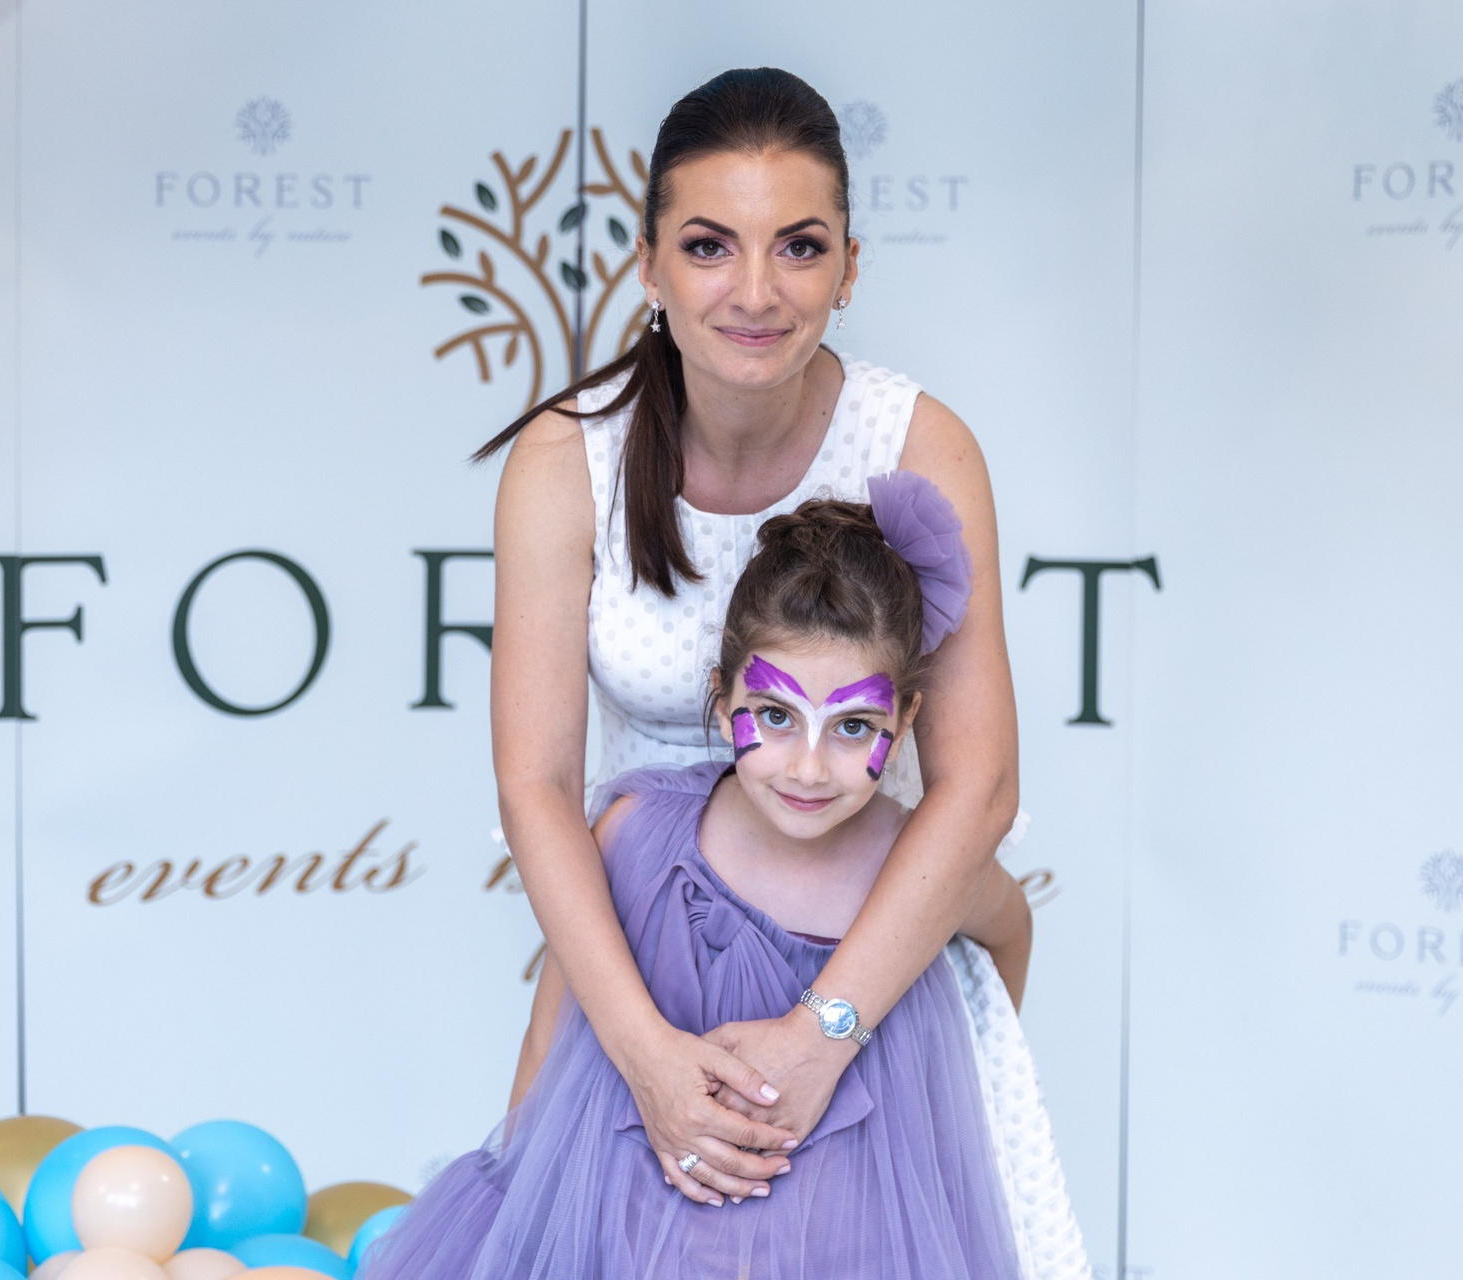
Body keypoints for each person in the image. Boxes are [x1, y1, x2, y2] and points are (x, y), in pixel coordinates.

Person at [484, 66, 1022, 1209]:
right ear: (648, 264)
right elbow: (536, 783)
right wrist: (644, 1052)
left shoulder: (919, 444)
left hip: (862, 946)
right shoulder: (565, 460)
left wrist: (825, 1031)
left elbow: (977, 787)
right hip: (636, 953)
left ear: (850, 265)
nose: (757, 291)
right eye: (709, 246)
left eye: (801, 246)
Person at [363, 489, 1081, 1278]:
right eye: (774, 716)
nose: (808, 768)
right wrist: (519, 1208)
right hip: (637, 1236)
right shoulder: (638, 837)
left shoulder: (922, 875)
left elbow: (1002, 957)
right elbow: (552, 1032)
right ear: (722, 694)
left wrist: (936, 1078)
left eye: (853, 727)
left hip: (851, 1245)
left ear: (905, 722)